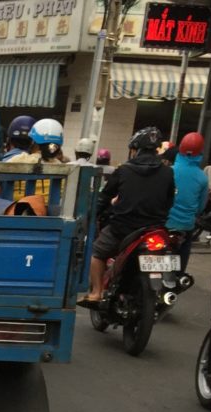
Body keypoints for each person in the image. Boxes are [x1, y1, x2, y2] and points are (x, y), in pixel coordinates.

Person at [79, 126, 175, 306]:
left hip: (123, 228)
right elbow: (169, 201)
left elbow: (104, 197)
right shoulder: (168, 172)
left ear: (136, 149)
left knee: (97, 252)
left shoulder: (124, 170)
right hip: (155, 229)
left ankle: (97, 292)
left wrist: (93, 215)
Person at [166, 132, 210, 277]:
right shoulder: (202, 178)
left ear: (180, 150)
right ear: (200, 153)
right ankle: (178, 275)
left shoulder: (169, 172)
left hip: (164, 223)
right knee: (184, 248)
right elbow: (200, 207)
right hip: (185, 226)